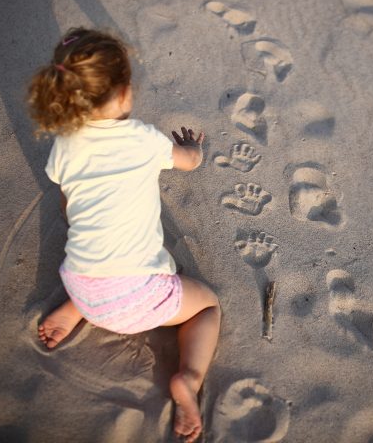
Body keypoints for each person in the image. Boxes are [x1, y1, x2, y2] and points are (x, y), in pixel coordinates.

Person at [27, 27, 220, 443]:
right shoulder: (143, 140)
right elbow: (187, 162)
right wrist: (196, 150)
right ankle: (188, 378)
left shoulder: (64, 145)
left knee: (95, 253)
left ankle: (74, 309)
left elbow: (66, 203)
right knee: (208, 307)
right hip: (139, 298)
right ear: (122, 95)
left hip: (81, 283)